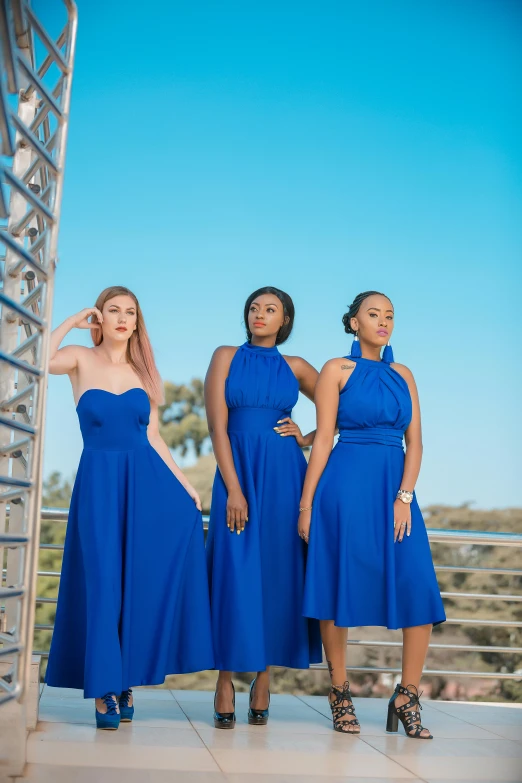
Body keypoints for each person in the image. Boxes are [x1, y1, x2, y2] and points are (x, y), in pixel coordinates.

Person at [45, 285, 214, 729]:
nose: (122, 318)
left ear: (138, 323)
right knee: (103, 585)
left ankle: (124, 680)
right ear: (100, 317)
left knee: (134, 585)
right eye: (113, 311)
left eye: (130, 313)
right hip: (99, 486)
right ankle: (103, 689)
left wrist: (183, 486)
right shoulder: (80, 358)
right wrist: (73, 320)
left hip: (145, 486)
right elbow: (39, 359)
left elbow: (154, 437)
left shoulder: (145, 375)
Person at [299, 291, 445, 739]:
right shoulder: (335, 370)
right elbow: (324, 439)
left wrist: (405, 495)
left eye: (390, 316)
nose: (383, 322)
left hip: (394, 489)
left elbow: (416, 442)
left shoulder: (404, 374)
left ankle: (408, 694)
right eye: (373, 314)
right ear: (353, 323)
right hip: (342, 489)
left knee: (417, 585)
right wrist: (306, 505)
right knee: (335, 585)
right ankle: (340, 692)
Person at [205, 286, 322, 729]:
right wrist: (233, 488)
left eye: (270, 309)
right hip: (237, 477)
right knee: (234, 573)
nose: (260, 314)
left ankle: (263, 677)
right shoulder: (225, 357)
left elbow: (344, 410)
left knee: (275, 573)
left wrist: (308, 437)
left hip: (283, 477)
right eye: (254, 308)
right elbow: (217, 428)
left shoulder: (295, 367)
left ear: (284, 320)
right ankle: (224, 678)